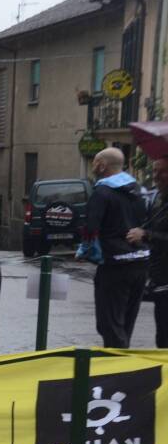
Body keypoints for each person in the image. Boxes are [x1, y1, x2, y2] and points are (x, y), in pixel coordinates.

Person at [81, 148, 150, 348]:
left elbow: (91, 229)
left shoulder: (102, 193)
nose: (93, 166)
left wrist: (86, 251)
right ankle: (122, 362)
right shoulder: (139, 191)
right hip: (140, 263)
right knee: (127, 322)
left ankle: (115, 369)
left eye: (95, 162)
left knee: (109, 323)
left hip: (114, 265)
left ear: (103, 165)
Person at [128, 156, 168, 346]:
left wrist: (146, 235)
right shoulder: (159, 200)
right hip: (160, 280)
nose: (156, 176)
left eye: (163, 171)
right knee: (162, 337)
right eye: (154, 171)